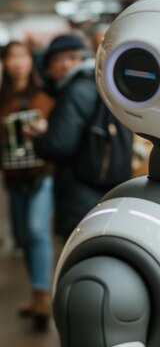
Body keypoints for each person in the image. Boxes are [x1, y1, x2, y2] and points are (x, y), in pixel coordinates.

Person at [24, 34, 110, 241]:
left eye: (71, 57)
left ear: (82, 59)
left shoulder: (75, 91)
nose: (64, 65)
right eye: (57, 60)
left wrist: (37, 140)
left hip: (79, 188)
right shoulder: (98, 84)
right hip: (100, 183)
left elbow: (60, 145)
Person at [0, 41, 55, 330]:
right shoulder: (2, 97)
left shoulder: (45, 94)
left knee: (36, 230)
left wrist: (46, 132)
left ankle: (42, 295)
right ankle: (36, 296)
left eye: (22, 56)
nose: (17, 62)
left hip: (41, 175)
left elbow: (58, 132)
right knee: (23, 237)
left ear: (31, 61)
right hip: (12, 177)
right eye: (11, 57)